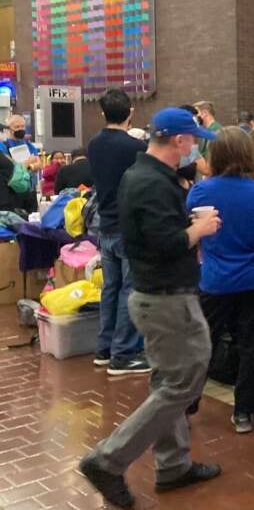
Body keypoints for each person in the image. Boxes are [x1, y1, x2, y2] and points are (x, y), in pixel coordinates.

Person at [79, 107, 222, 510]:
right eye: (191, 139)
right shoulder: (152, 183)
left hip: (153, 296)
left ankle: (173, 465)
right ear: (178, 141)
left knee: (168, 382)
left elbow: (150, 231)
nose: (194, 145)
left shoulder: (142, 176)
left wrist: (186, 219)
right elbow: (167, 244)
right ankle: (108, 460)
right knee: (184, 383)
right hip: (167, 299)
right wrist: (200, 228)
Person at [187, 127, 254, 434]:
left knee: (203, 343)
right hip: (252, 282)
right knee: (251, 346)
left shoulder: (200, 192)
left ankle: (188, 401)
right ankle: (243, 413)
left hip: (213, 281)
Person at [87, 89, 149, 375]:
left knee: (110, 288)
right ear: (131, 112)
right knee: (129, 288)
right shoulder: (135, 148)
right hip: (128, 226)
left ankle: (104, 347)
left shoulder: (94, 144)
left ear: (102, 113)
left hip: (105, 225)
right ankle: (123, 353)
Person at [2, 114, 42, 209]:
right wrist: (29, 163)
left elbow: (39, 164)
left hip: (30, 190)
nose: (20, 129)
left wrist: (27, 167)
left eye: (22, 126)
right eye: (17, 127)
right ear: (9, 129)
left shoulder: (29, 145)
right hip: (13, 191)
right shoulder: (3, 146)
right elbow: (11, 167)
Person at [193, 101, 224, 177]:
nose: (194, 118)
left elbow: (208, 167)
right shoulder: (208, 130)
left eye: (196, 114)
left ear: (204, 113)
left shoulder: (216, 131)